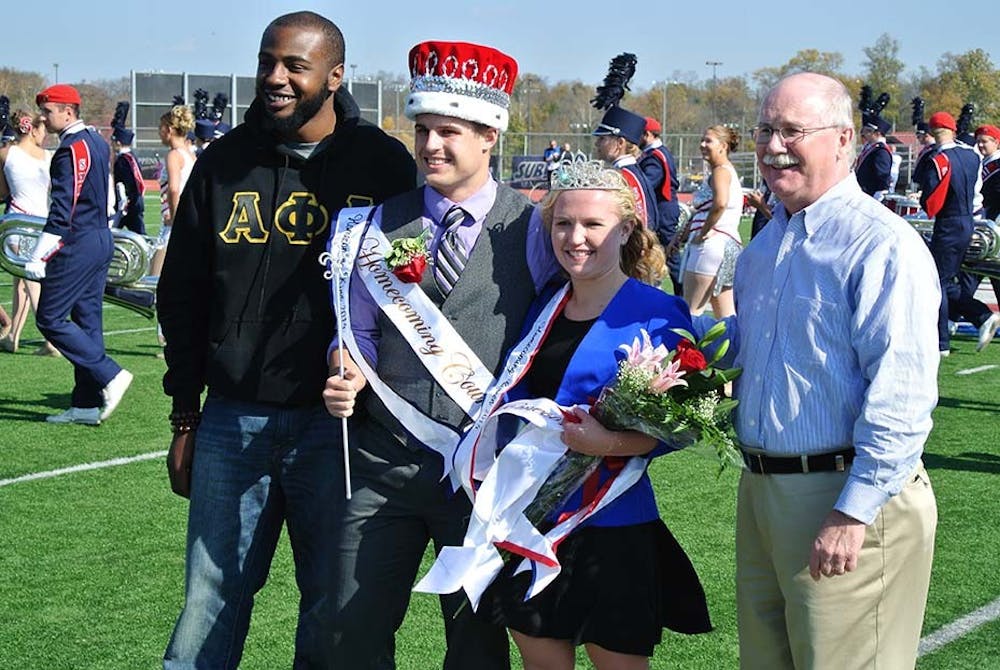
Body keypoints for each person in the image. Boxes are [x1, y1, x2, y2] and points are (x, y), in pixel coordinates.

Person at [157, 12, 416, 668]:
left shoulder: (383, 165)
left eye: (294, 65)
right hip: (231, 418)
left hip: (339, 430)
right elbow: (182, 293)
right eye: (268, 60)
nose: (275, 77)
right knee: (210, 596)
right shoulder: (223, 161)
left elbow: (413, 300)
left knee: (333, 607)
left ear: (334, 75)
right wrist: (186, 412)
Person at [321, 39, 557, 669]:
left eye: (448, 132)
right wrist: (343, 369)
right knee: (350, 627)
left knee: (477, 643)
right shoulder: (374, 224)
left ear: (489, 137)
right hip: (381, 462)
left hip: (482, 471)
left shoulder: (532, 227)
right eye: (423, 130)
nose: (430, 146)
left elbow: (549, 331)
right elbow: (357, 329)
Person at [721, 72, 939, 669]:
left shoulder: (880, 244)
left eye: (793, 130)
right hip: (764, 491)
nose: (772, 146)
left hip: (845, 496)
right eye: (766, 130)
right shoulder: (765, 247)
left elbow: (902, 391)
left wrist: (853, 511)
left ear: (844, 139)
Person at [465, 162, 711, 669]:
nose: (575, 238)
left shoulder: (658, 313)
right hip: (532, 513)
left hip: (612, 518)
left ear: (624, 231)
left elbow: (676, 426)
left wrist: (607, 444)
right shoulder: (542, 307)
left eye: (592, 225)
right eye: (563, 224)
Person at [27, 84, 133, 425]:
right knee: (88, 323)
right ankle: (86, 404)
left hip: (79, 241)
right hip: (99, 235)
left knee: (50, 317)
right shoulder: (97, 142)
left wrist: (39, 254)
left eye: (49, 111)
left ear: (68, 112)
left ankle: (110, 375)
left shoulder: (71, 149)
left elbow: (64, 208)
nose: (43, 117)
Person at [914, 111, 1000, 354]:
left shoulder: (939, 159)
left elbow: (931, 202)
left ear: (932, 132)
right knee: (949, 279)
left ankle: (941, 341)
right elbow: (977, 193)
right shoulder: (971, 155)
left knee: (936, 282)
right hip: (969, 222)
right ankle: (980, 315)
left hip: (948, 224)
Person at [0, 109, 59, 356]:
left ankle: (51, 339)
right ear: (33, 129)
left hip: (17, 221)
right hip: (42, 224)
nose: (45, 134)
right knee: (22, 281)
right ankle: (13, 335)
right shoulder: (49, 157)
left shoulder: (5, 153)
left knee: (30, 282)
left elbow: (3, 193)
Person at [679, 125, 742, 317]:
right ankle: (734, 348)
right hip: (728, 245)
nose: (702, 145)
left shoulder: (720, 171)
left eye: (708, 141)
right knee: (726, 316)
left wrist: (703, 232)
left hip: (711, 245)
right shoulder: (724, 170)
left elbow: (720, 203)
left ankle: (686, 348)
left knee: (691, 311)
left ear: (723, 146)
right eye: (702, 140)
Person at [591, 105, 660, 235]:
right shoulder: (630, 172)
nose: (597, 144)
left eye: (602, 139)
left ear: (620, 143)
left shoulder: (624, 176)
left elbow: (642, 224)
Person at [149, 105, 196, 279]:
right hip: (186, 220)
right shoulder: (190, 154)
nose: (159, 132)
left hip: (173, 224)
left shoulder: (174, 155)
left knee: (154, 277)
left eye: (160, 128)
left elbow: (174, 189)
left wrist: (176, 218)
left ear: (169, 130)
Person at [639, 116, 683, 293]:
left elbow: (648, 183)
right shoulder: (659, 152)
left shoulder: (654, 157)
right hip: (666, 208)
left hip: (663, 210)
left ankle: (683, 291)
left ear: (648, 134)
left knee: (669, 254)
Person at [110, 102, 146, 235]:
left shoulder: (124, 160)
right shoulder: (130, 157)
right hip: (133, 203)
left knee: (113, 233)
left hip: (128, 204)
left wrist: (126, 202)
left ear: (118, 143)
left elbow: (128, 183)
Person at [854, 112, 893, 200]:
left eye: (869, 131)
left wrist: (880, 191)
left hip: (871, 193)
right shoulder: (871, 148)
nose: (865, 134)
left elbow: (883, 175)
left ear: (878, 133)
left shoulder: (881, 151)